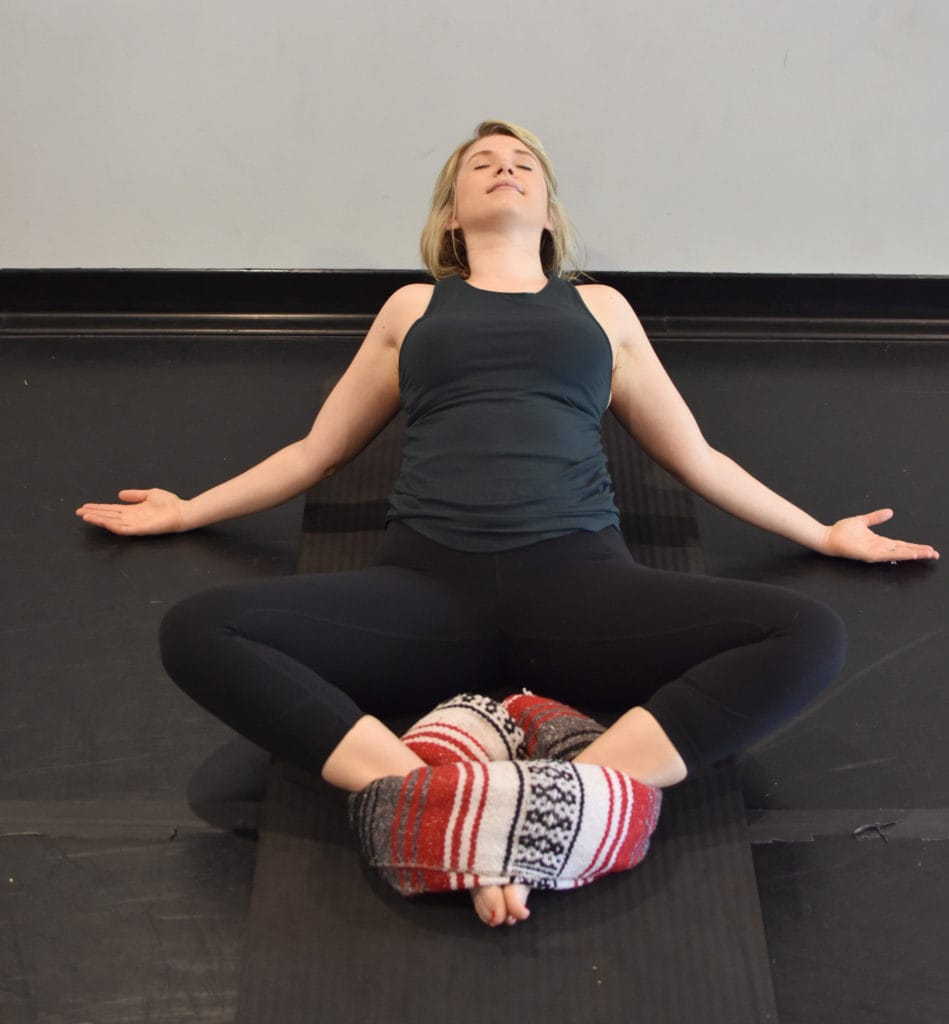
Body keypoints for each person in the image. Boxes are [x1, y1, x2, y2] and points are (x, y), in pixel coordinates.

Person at [76, 119, 938, 928]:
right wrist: (188, 509)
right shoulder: (412, 310)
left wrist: (821, 534)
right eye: (481, 164)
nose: (505, 167)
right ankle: (433, 798)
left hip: (582, 593)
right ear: (453, 216)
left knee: (810, 636)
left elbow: (696, 458)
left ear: (549, 210)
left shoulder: (601, 310)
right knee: (196, 630)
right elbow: (315, 454)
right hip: (423, 597)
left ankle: (551, 807)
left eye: (523, 162)